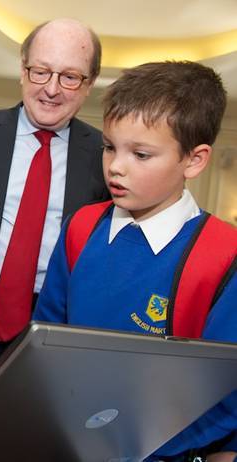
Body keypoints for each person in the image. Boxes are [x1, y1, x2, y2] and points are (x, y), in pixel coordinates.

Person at [33, 61, 236, 460]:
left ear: (194, 160)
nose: (115, 167)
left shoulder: (225, 255)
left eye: (141, 154)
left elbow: (226, 395)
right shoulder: (81, 226)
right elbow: (44, 343)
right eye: (110, 146)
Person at [0, 18, 110, 371]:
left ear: (89, 84)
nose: (51, 89)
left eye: (70, 77)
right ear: (22, 70)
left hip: (55, 325)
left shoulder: (106, 155)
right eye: (41, 71)